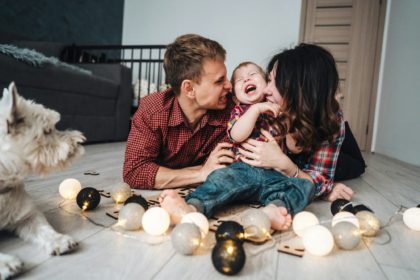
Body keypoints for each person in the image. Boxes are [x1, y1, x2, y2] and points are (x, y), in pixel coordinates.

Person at [160, 44, 353, 230]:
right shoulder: (262, 106)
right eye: (268, 80)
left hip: (281, 176)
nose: (266, 90)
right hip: (246, 170)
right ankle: (192, 207)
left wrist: (284, 164)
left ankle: (275, 210)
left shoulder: (331, 119)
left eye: (273, 83)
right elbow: (237, 131)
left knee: (307, 187)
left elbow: (317, 177)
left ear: (298, 91)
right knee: (221, 179)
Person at [123, 34, 235, 190]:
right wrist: (201, 173)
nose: (230, 85)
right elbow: (135, 172)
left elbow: (227, 169)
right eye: (219, 80)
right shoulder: (152, 110)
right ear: (189, 89)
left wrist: (165, 174)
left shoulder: (233, 112)